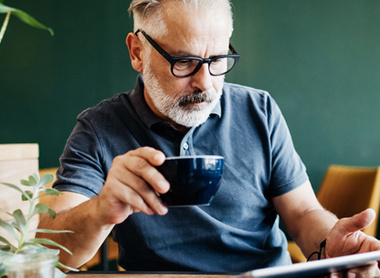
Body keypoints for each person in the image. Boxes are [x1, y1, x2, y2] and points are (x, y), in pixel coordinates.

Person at [38, 0, 380, 275]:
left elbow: (303, 213)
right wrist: (101, 210)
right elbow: (51, 253)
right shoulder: (98, 129)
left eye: (218, 59)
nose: (205, 83)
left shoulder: (258, 110)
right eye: (185, 62)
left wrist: (330, 241)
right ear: (137, 52)